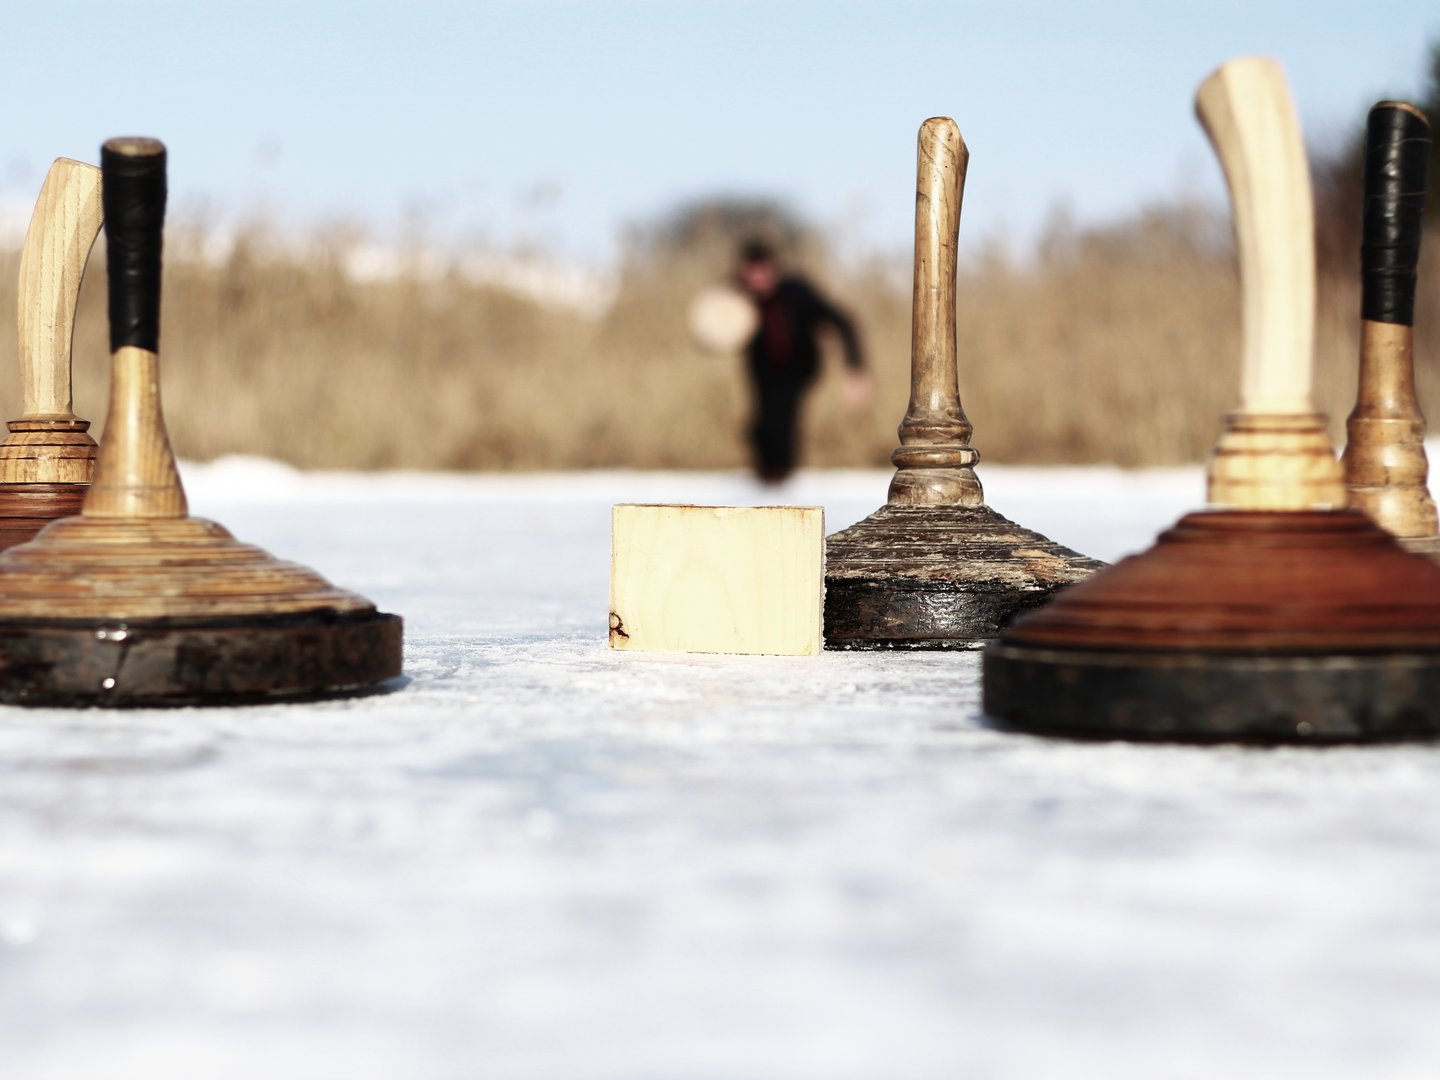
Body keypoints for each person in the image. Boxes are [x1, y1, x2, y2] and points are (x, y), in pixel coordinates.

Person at [735, 239, 872, 482]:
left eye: (761, 272)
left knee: (784, 418)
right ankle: (767, 477)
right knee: (760, 424)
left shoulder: (796, 292)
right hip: (763, 372)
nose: (757, 279)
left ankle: (783, 478)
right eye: (751, 273)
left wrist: (855, 368)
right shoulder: (739, 297)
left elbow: (841, 321)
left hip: (799, 368)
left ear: (772, 270)